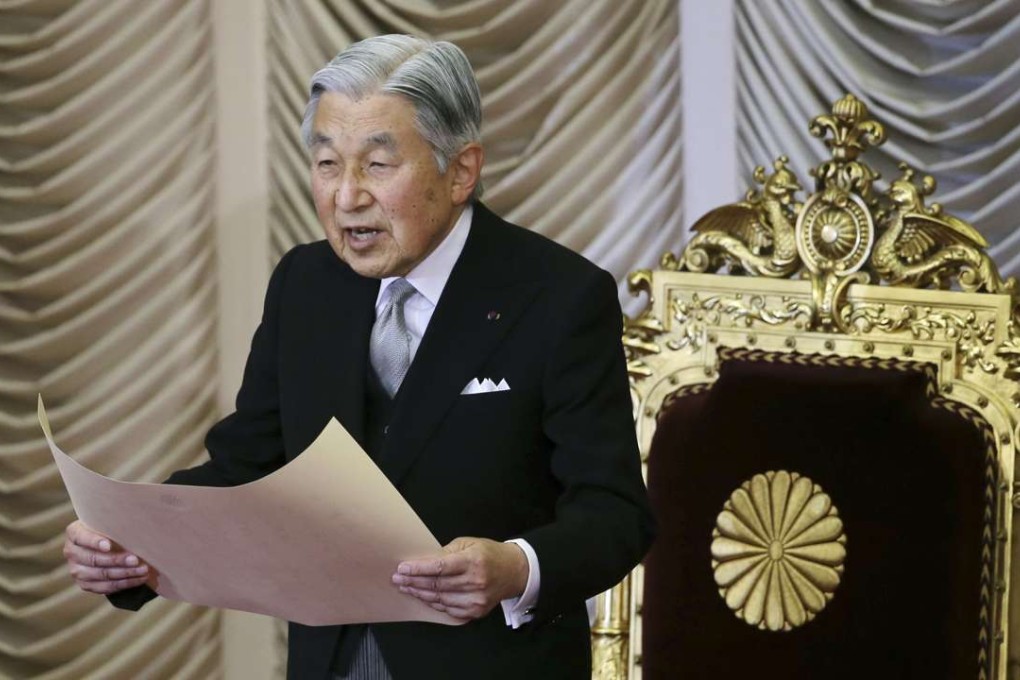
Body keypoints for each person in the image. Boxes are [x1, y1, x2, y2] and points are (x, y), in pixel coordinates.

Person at [63, 35, 654, 680]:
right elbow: (248, 468)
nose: (346, 197)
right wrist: (132, 542)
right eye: (326, 164)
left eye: (377, 165)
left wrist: (515, 567)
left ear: (461, 170)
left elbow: (614, 514)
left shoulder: (559, 297)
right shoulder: (306, 285)